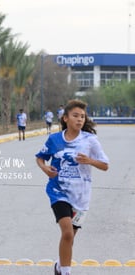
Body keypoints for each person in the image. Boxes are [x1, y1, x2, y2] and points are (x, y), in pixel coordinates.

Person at [35, 99, 109, 275]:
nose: (80, 119)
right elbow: (40, 157)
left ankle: (60, 266)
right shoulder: (54, 139)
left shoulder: (91, 140)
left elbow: (105, 165)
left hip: (81, 195)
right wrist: (45, 168)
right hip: (58, 190)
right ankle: (66, 272)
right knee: (67, 233)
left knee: (70, 237)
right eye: (75, 115)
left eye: (82, 116)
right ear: (65, 118)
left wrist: (89, 160)